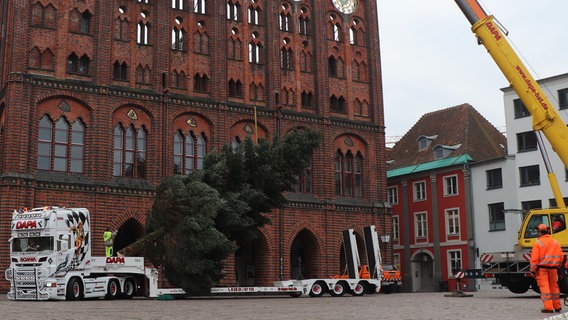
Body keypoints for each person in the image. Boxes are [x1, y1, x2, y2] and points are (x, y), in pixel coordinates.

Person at [530, 224, 563, 313]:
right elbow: (561, 256)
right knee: (554, 287)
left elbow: (534, 258)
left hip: (542, 269)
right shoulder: (555, 242)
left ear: (540, 232)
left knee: (545, 287)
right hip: (553, 269)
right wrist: (558, 267)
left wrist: (533, 270)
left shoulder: (538, 243)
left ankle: (548, 307)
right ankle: (557, 306)